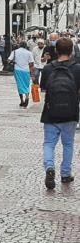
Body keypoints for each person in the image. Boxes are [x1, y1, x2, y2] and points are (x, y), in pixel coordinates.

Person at [38, 38, 80, 190]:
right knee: (68, 144)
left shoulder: (49, 68)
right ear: (72, 51)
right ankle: (65, 174)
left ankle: (50, 168)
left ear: (56, 51)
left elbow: (43, 88)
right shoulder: (77, 68)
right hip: (71, 112)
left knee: (49, 143)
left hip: (51, 112)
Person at [8, 42, 35, 108]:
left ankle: (22, 101)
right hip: (26, 71)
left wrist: (13, 62)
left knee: (20, 85)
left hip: (17, 70)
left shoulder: (15, 51)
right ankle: (27, 97)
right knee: (26, 85)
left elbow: (8, 60)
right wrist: (33, 74)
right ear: (26, 46)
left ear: (19, 45)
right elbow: (31, 64)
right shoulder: (29, 53)